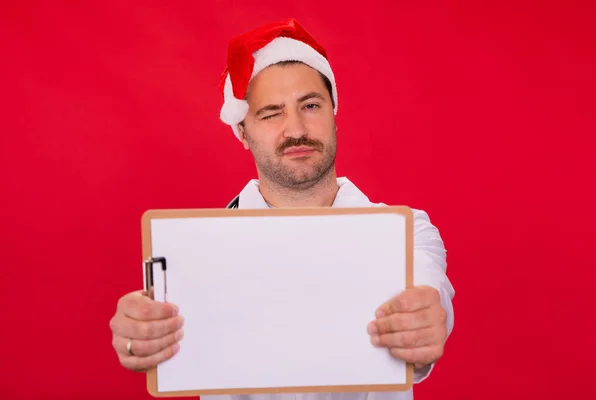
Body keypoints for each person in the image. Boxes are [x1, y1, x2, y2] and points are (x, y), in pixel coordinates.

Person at [109, 18, 455, 400]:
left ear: (334, 114)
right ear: (242, 132)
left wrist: (424, 318)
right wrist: (138, 335)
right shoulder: (194, 251)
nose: (295, 129)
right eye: (271, 113)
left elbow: (428, 289)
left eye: (310, 105)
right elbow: (159, 336)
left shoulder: (406, 232)